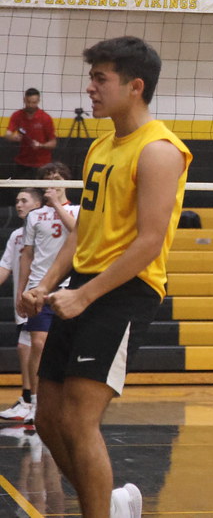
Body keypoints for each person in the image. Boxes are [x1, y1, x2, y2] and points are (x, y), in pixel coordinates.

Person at [18, 36, 192, 518]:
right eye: (91, 77)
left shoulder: (159, 150)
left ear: (135, 87)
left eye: (101, 78)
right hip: (83, 288)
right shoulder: (100, 147)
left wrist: (85, 295)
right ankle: (112, 503)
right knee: (49, 418)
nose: (90, 88)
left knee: (78, 418)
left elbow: (149, 243)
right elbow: (82, 234)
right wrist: (46, 285)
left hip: (125, 291)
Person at [18, 162, 80, 424]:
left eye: (57, 179)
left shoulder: (78, 210)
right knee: (39, 344)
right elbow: (28, 255)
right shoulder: (34, 216)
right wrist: (22, 290)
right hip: (39, 288)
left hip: (70, 288)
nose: (52, 183)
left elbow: (79, 234)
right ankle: (34, 402)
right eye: (48, 179)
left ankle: (61, 403)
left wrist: (56, 204)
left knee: (64, 348)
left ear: (66, 182)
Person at [0, 187, 44, 422]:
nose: (18, 205)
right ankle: (28, 400)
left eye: (24, 200)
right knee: (25, 348)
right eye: (17, 201)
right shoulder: (17, 235)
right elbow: (4, 267)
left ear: (38, 204)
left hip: (39, 300)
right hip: (22, 303)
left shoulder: (48, 231)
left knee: (29, 347)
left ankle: (34, 402)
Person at [6, 88, 57, 179]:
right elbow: (8, 134)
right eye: (28, 102)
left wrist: (41, 145)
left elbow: (53, 143)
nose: (30, 105)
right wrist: (14, 137)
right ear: (24, 100)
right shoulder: (17, 115)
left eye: (33, 102)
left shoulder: (45, 118)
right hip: (22, 162)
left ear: (38, 101)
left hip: (42, 164)